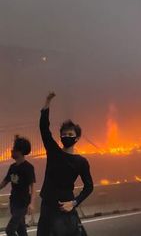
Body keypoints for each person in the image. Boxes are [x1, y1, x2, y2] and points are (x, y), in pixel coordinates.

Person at [37, 92, 93, 236]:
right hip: (48, 206)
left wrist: (74, 203)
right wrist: (47, 102)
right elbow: (44, 128)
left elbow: (89, 186)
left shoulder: (81, 162)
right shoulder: (53, 151)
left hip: (66, 206)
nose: (67, 137)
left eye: (70, 134)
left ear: (77, 137)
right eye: (64, 134)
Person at [0, 136, 35, 236]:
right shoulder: (12, 167)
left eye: (14, 149)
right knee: (21, 230)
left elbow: (32, 188)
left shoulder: (28, 168)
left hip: (23, 205)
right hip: (14, 203)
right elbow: (4, 182)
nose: (11, 151)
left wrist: (32, 204)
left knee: (10, 230)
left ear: (20, 151)